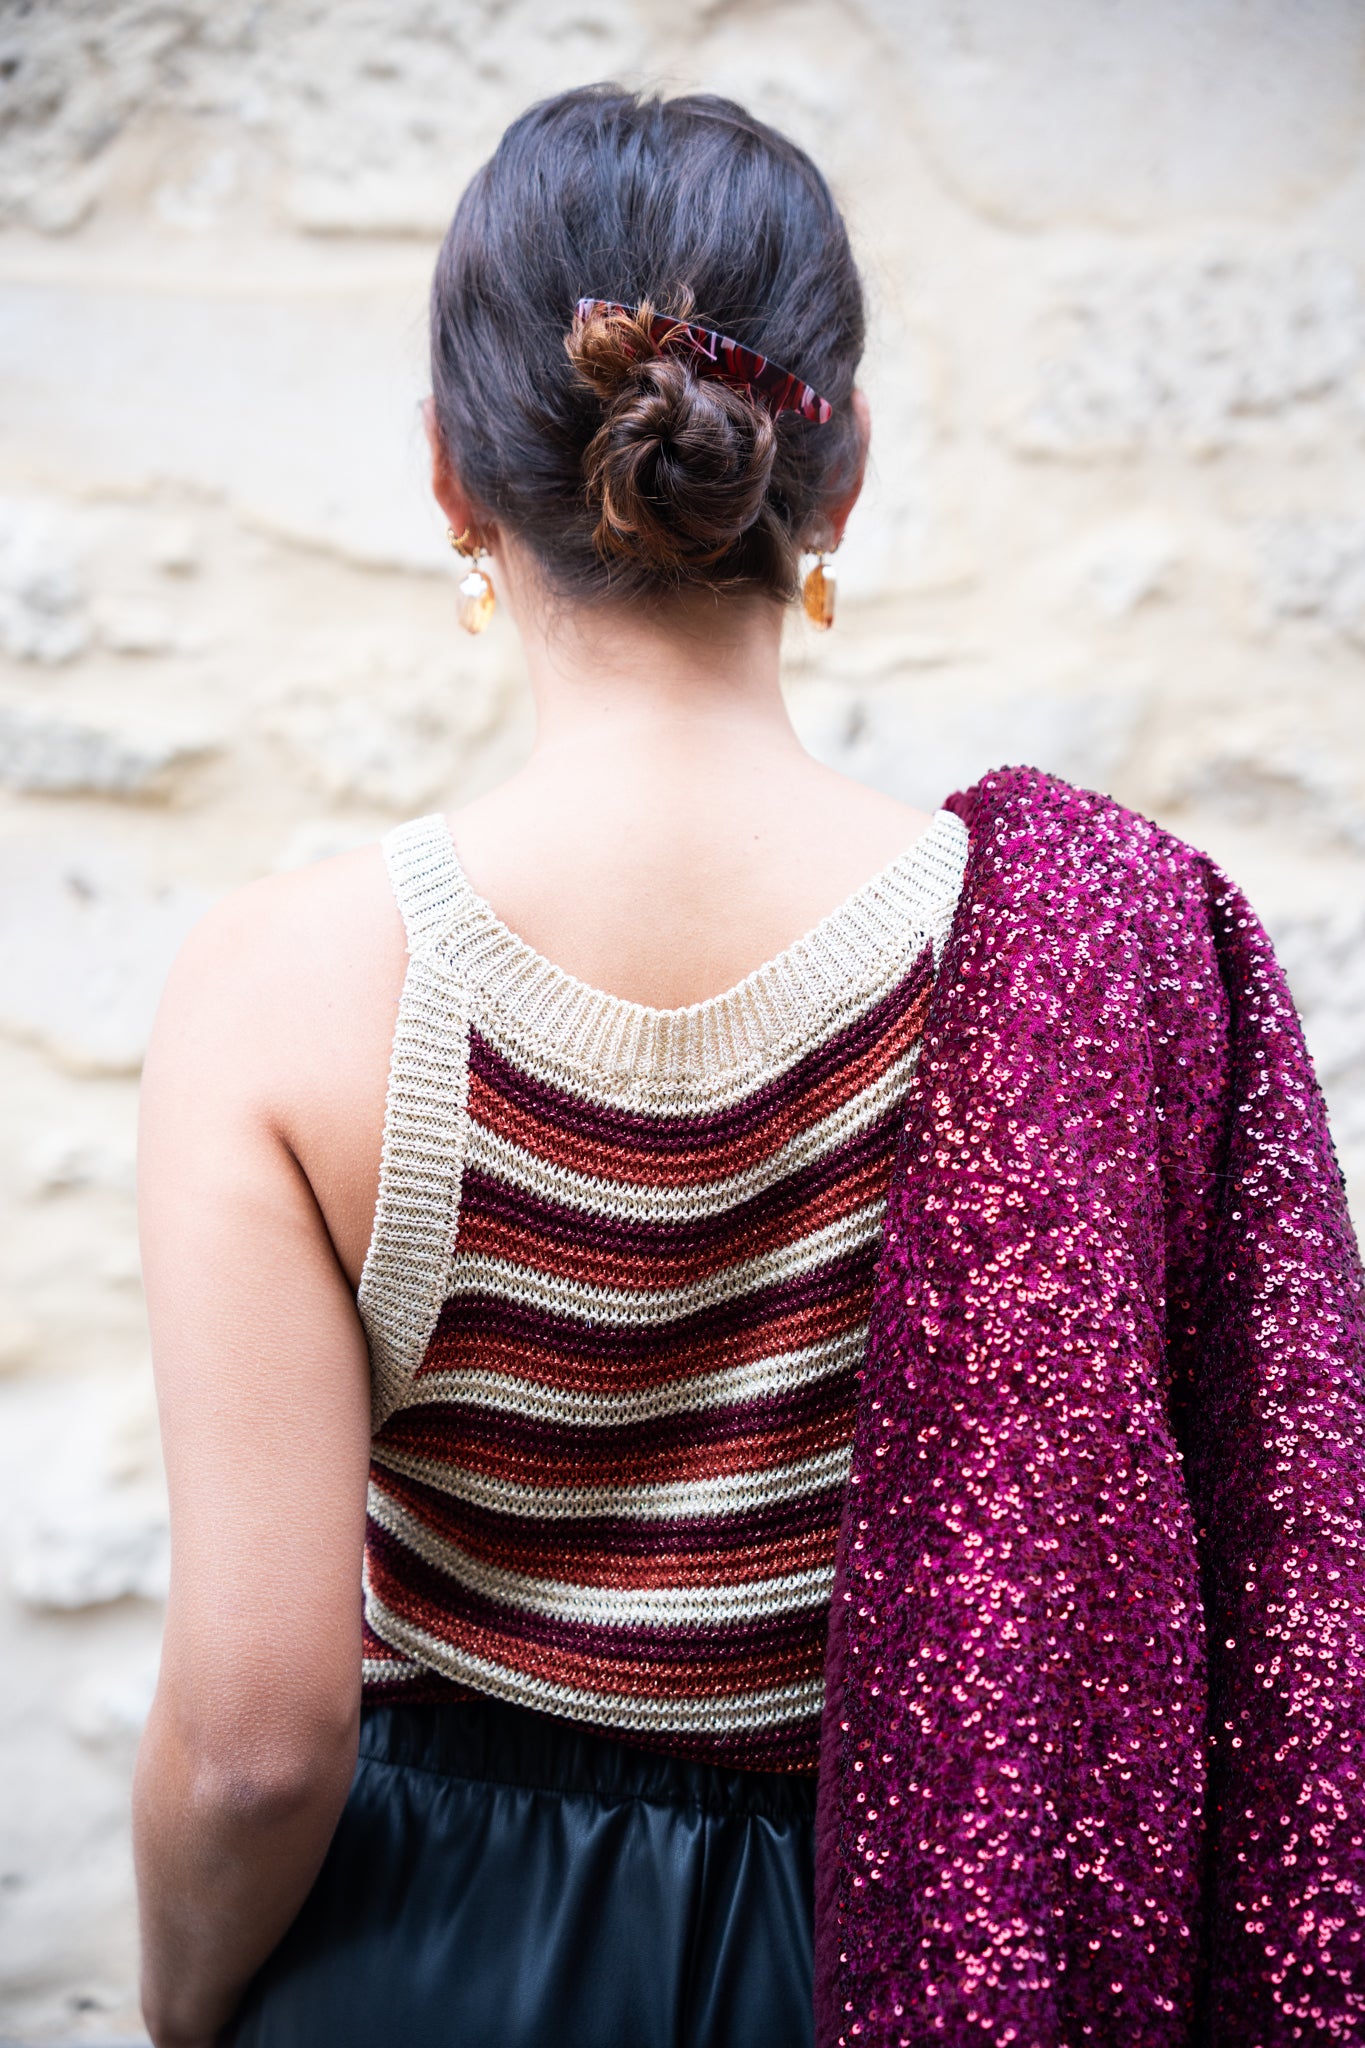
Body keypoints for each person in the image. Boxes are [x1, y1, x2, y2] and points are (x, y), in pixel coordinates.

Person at [131, 84, 1365, 2048]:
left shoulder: (276, 987)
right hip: (908, 1945)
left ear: (448, 473)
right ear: (840, 470)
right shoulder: (1058, 953)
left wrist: (189, 2002)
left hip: (425, 1956)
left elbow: (256, 1748)